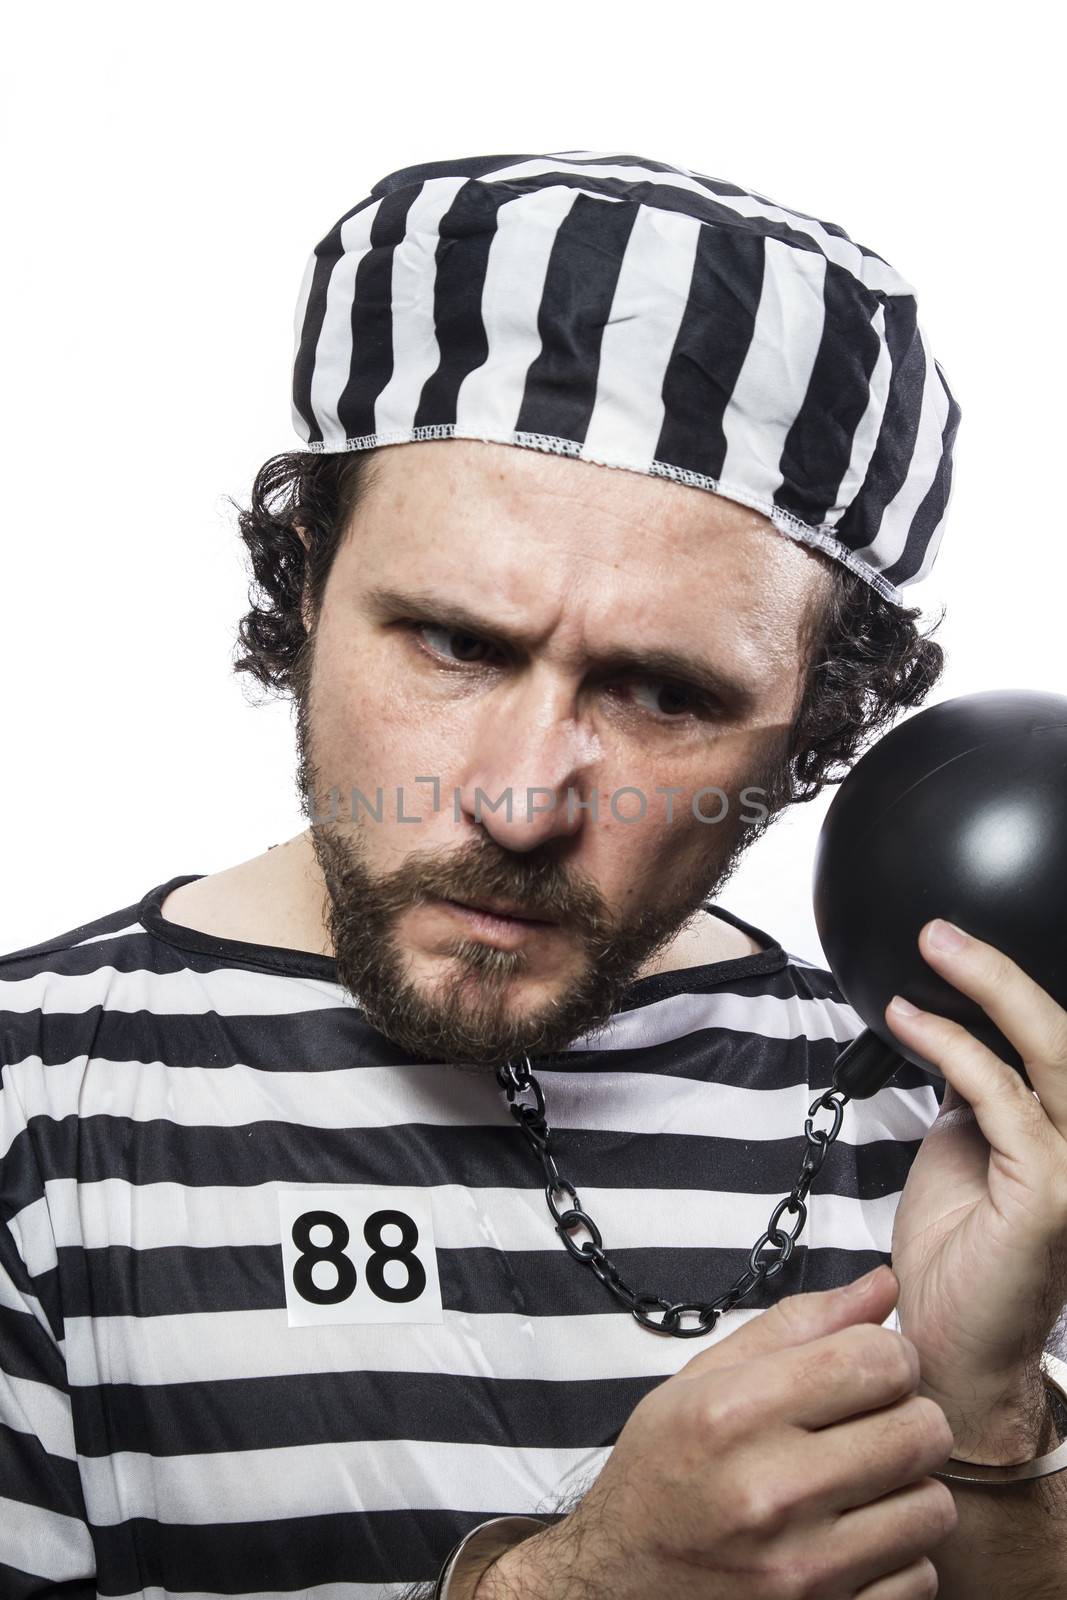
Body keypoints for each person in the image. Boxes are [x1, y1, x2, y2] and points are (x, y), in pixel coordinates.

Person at [2, 152, 1065, 1600]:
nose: (517, 800)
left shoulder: (961, 1133)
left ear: (820, 714)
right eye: (455, 641)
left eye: (659, 692)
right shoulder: (31, 1108)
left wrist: (980, 1415)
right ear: (310, 577)